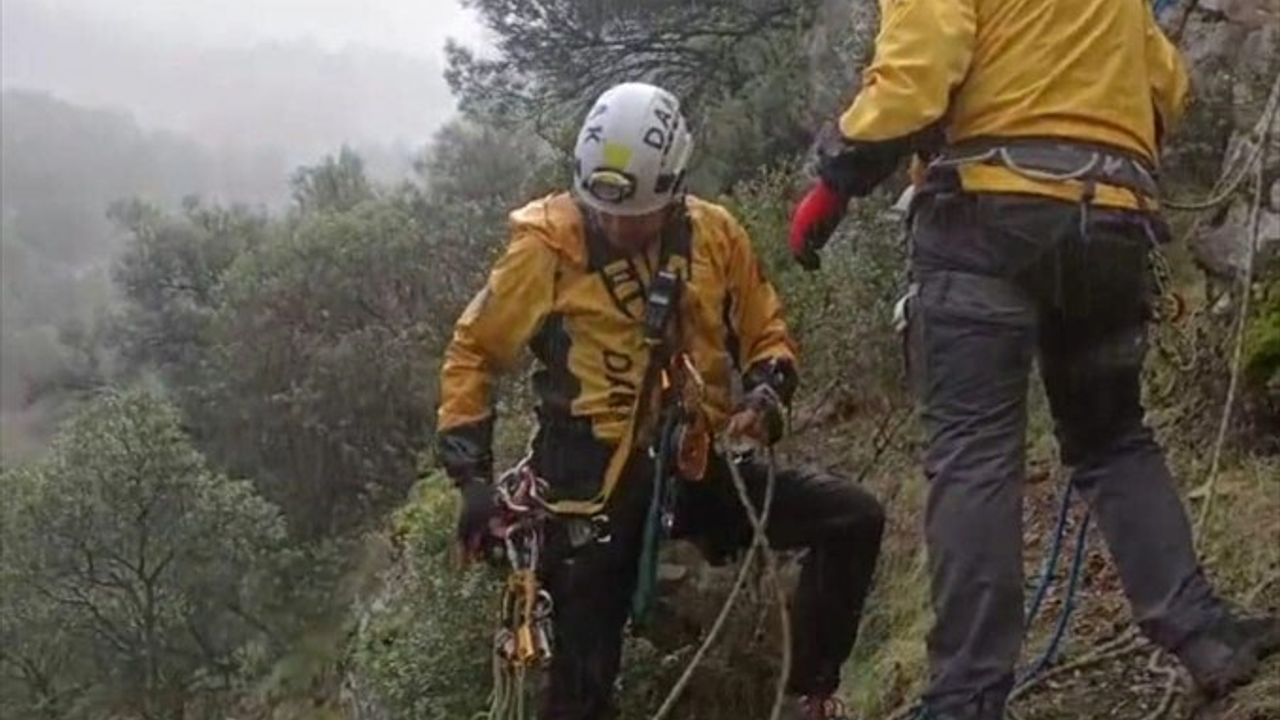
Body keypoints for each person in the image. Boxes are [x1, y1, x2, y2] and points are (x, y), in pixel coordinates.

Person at [786, 0, 1280, 717]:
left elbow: (919, 76)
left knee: (975, 454)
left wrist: (835, 178)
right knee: (1113, 438)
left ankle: (966, 698)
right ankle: (1204, 635)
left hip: (987, 217)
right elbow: (1168, 81)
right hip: (1111, 221)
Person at [437, 81, 886, 720]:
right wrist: (470, 478)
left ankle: (806, 695)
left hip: (689, 466)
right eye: (603, 211)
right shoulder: (548, 245)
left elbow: (767, 332)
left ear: (675, 189)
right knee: (581, 690)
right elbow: (474, 352)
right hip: (586, 489)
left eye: (636, 213)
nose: (618, 225)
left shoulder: (715, 236)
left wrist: (767, 390)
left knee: (853, 518)